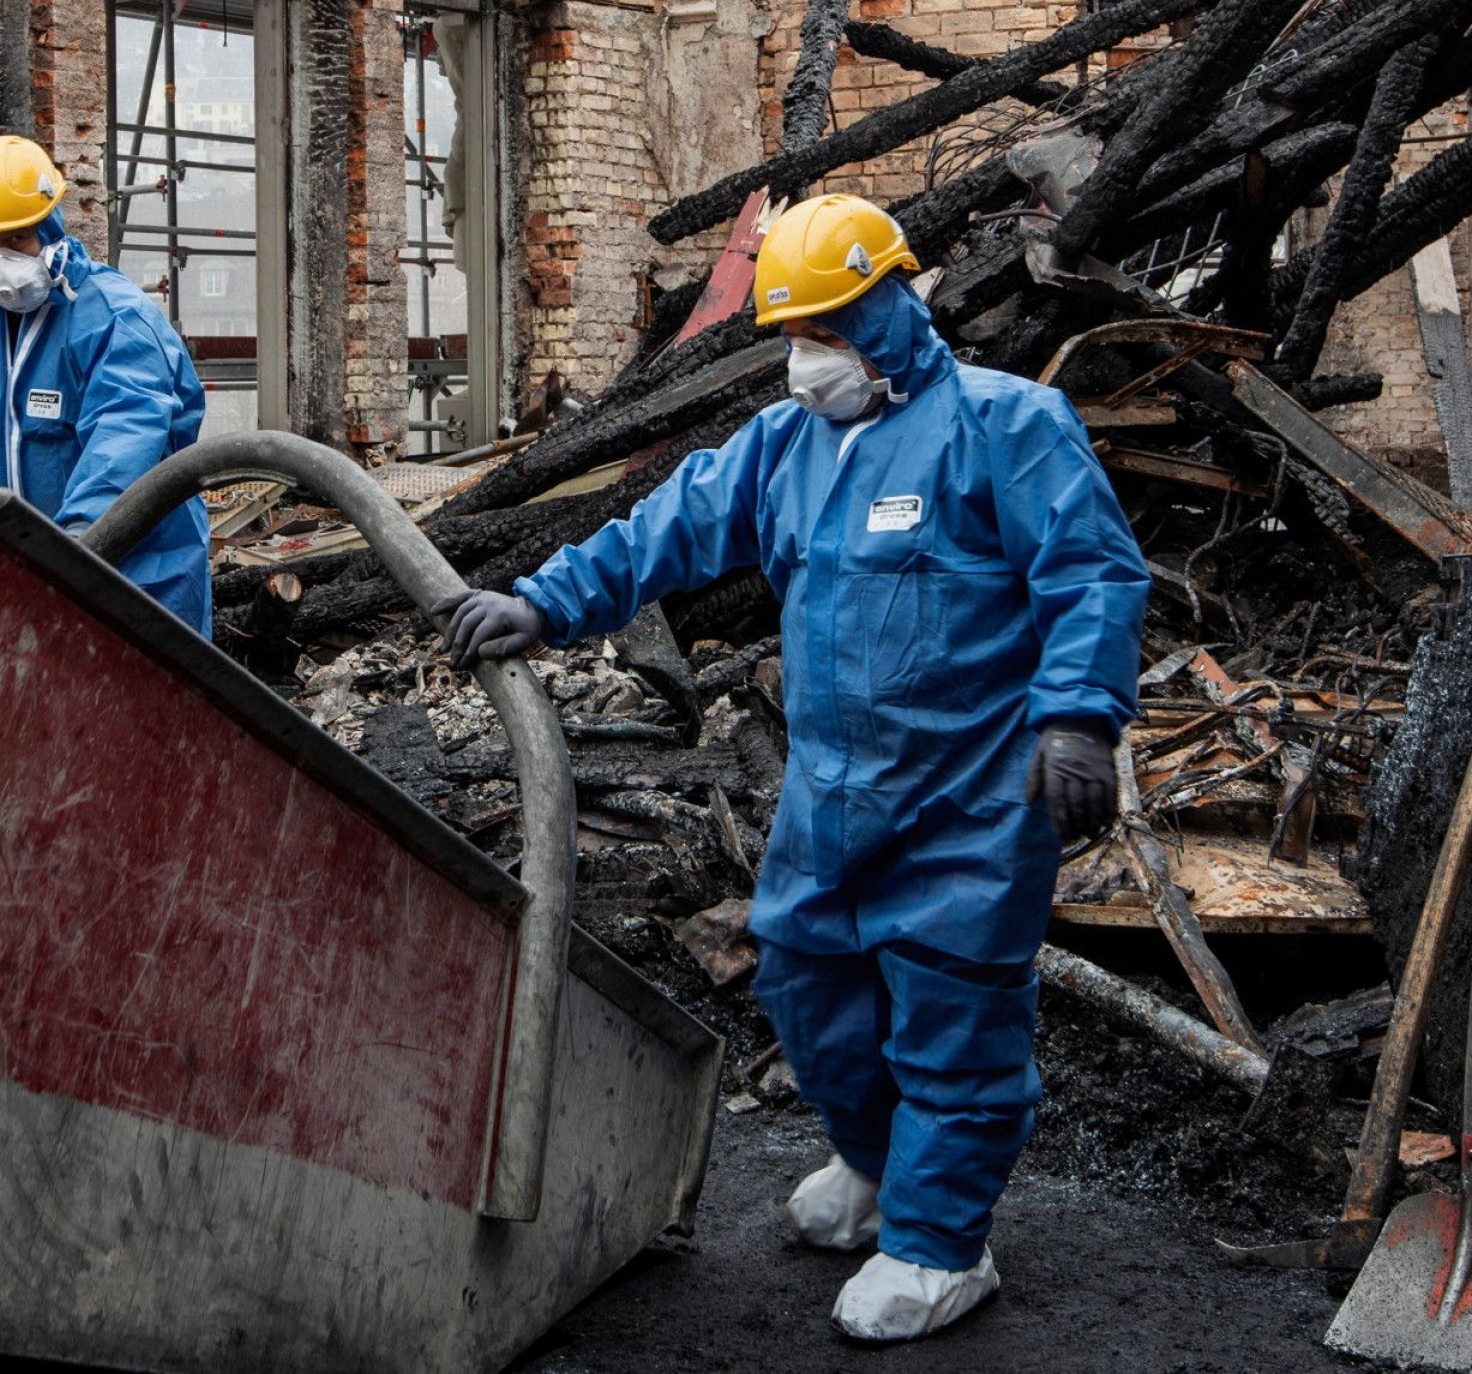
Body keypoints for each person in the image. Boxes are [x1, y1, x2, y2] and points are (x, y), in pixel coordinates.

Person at [445, 193, 1147, 1341]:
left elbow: (1090, 576)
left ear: (894, 305)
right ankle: (874, 1168)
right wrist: (539, 601)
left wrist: (1075, 717)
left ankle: (938, 1241)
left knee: (951, 1017)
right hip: (831, 797)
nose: (806, 356)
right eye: (795, 331)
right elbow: (661, 527)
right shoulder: (787, 446)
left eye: (828, 327)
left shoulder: (1006, 425)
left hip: (966, 802)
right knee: (807, 986)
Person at [0, 134, 212, 636]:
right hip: (33, 577)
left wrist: (81, 541)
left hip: (135, 575)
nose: (1, 262)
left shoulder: (113, 316)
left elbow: (125, 434)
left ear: (50, 227)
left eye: (17, 239)